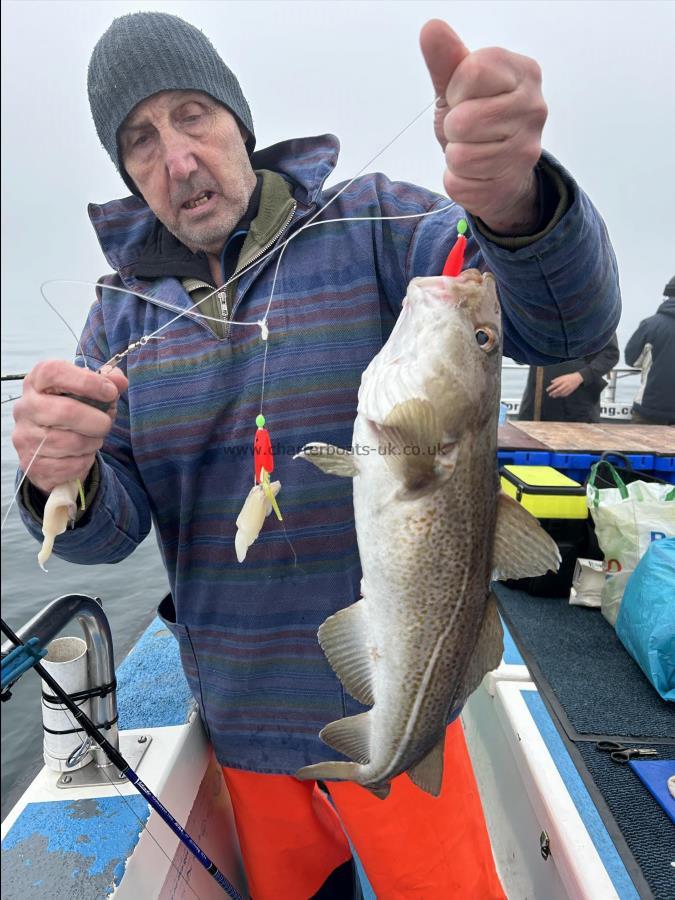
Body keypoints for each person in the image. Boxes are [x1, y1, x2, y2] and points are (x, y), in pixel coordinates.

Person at [11, 12, 621, 899]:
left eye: (192, 116)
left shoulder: (377, 220)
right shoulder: (117, 317)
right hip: (244, 732)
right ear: (124, 171)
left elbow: (562, 324)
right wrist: (61, 478)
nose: (177, 160)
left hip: (411, 703)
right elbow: (108, 537)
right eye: (140, 141)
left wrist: (519, 204)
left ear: (238, 122)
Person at [518, 333, 620, 422]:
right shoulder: (535, 315)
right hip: (536, 404)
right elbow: (519, 355)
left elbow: (610, 355)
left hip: (579, 405)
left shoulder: (595, 313)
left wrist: (580, 376)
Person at [624, 277, 675, 425]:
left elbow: (631, 360)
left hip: (650, 409)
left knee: (638, 448)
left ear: (667, 296)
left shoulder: (650, 325)